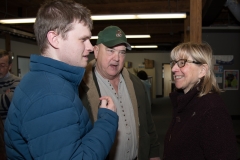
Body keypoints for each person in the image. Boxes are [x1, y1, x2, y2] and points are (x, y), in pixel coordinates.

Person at [4, 0, 118, 159]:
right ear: (55, 38)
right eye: (83, 39)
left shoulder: (42, 80)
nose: (91, 47)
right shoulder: (52, 97)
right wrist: (107, 119)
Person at [79, 25, 160, 160]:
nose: (117, 58)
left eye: (122, 52)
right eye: (110, 50)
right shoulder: (81, 88)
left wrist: (154, 155)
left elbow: (148, 125)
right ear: (97, 51)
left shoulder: (136, 84)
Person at [163, 42, 238, 159]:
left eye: (182, 63)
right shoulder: (185, 102)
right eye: (174, 63)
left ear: (202, 70)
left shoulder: (212, 109)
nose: (173, 69)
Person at [0, 50, 21, 122]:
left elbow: (8, 101)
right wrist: (3, 96)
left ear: (9, 66)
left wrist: (6, 99)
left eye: (2, 65)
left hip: (8, 129)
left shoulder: (17, 81)